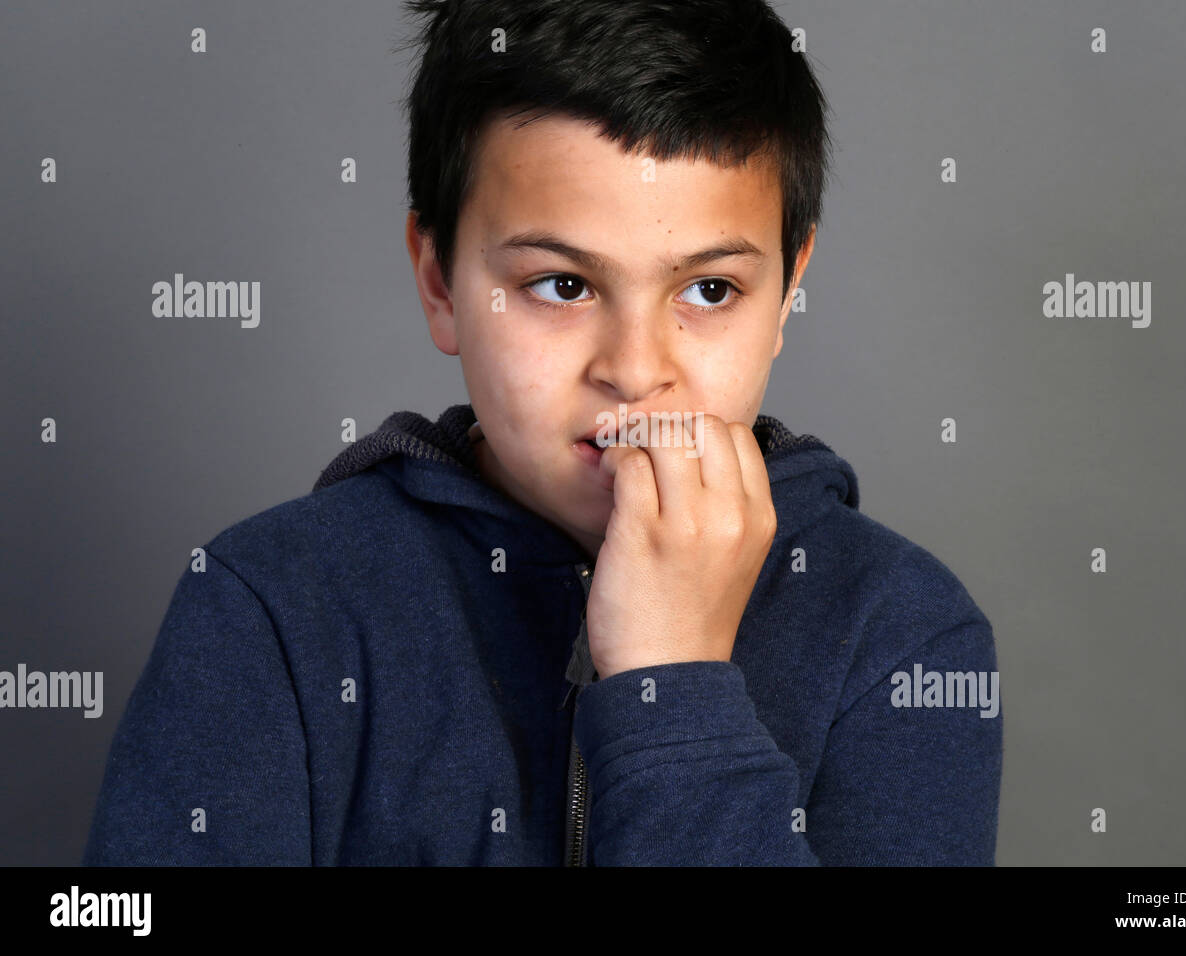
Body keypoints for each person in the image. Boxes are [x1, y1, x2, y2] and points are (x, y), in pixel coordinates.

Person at [83, 0, 1001, 866]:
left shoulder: (903, 635)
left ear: (788, 290)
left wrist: (673, 684)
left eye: (709, 290)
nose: (637, 369)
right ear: (441, 282)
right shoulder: (270, 608)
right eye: (562, 285)